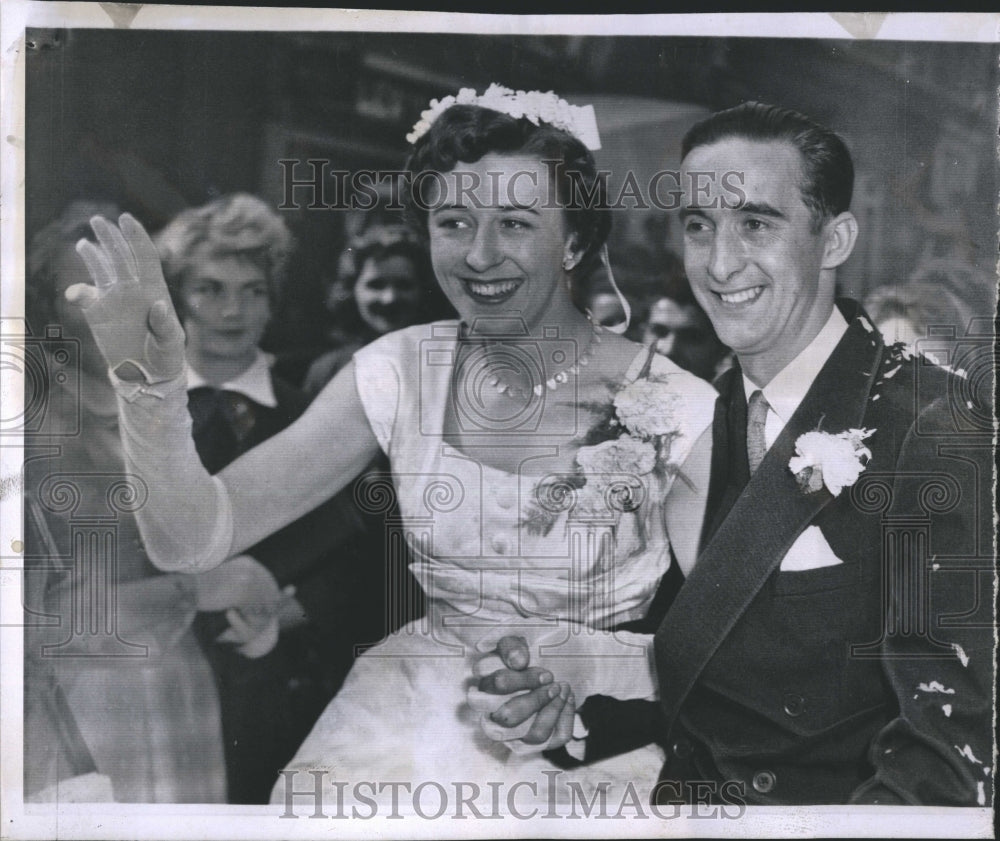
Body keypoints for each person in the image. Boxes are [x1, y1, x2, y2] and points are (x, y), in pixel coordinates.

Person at [63, 85, 718, 809]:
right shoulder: (399, 368)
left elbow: (734, 640)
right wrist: (149, 390)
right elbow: (190, 538)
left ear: (575, 239)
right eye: (453, 221)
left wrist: (598, 681)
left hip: (601, 738)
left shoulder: (673, 402)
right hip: (407, 726)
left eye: (515, 222)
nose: (479, 254)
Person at [477, 102, 994, 807]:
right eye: (699, 226)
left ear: (835, 237)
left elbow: (947, 754)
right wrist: (577, 721)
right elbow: (725, 696)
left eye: (755, 222)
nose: (719, 264)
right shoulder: (690, 413)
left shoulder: (932, 424)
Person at [154, 192, 396, 803]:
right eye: (210, 289)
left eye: (252, 290)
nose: (232, 310)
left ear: (273, 298)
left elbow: (361, 562)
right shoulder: (137, 414)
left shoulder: (314, 418)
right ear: (177, 296)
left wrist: (294, 612)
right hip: (151, 685)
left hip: (274, 690)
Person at [23, 201, 261, 803]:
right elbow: (26, 627)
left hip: (180, 690)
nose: (112, 306)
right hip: (78, 711)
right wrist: (200, 590)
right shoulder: (25, 435)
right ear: (45, 308)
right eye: (82, 288)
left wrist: (249, 605)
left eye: (127, 283)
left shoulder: (171, 419)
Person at [301, 225, 440, 396]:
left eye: (404, 285)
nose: (390, 298)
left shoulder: (442, 364)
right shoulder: (328, 369)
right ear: (352, 289)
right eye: (376, 285)